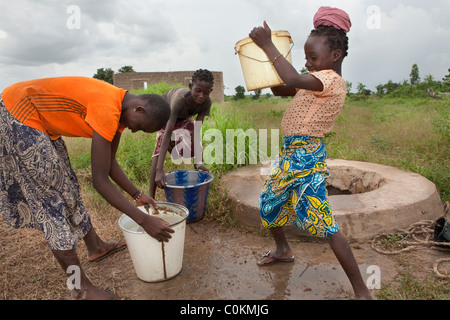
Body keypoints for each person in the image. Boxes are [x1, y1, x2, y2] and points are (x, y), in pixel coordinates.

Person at [0, 76, 174, 300]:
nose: (134, 130)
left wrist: (138, 195)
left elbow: (109, 164)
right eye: (139, 126)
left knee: (69, 186)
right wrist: (144, 220)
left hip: (41, 123)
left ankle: (96, 247)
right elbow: (99, 181)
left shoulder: (121, 111)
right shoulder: (107, 108)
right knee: (51, 201)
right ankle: (79, 288)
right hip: (18, 112)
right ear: (138, 108)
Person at [249, 7, 374, 300]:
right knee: (269, 203)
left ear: (335, 56)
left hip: (306, 158)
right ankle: (283, 250)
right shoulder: (314, 78)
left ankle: (362, 292)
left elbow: (291, 79)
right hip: (288, 156)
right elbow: (282, 89)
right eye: (305, 58)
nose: (308, 63)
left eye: (312, 58)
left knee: (324, 223)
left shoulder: (330, 81)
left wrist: (269, 46)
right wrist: (265, 66)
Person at [149, 69, 213, 197]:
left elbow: (197, 131)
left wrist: (198, 162)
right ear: (190, 87)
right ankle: (151, 197)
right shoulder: (179, 99)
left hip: (183, 117)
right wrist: (160, 170)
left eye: (206, 92)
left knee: (191, 150)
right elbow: (167, 133)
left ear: (210, 91)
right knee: (161, 146)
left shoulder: (206, 103)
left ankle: (197, 180)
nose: (201, 95)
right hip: (164, 113)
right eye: (198, 90)